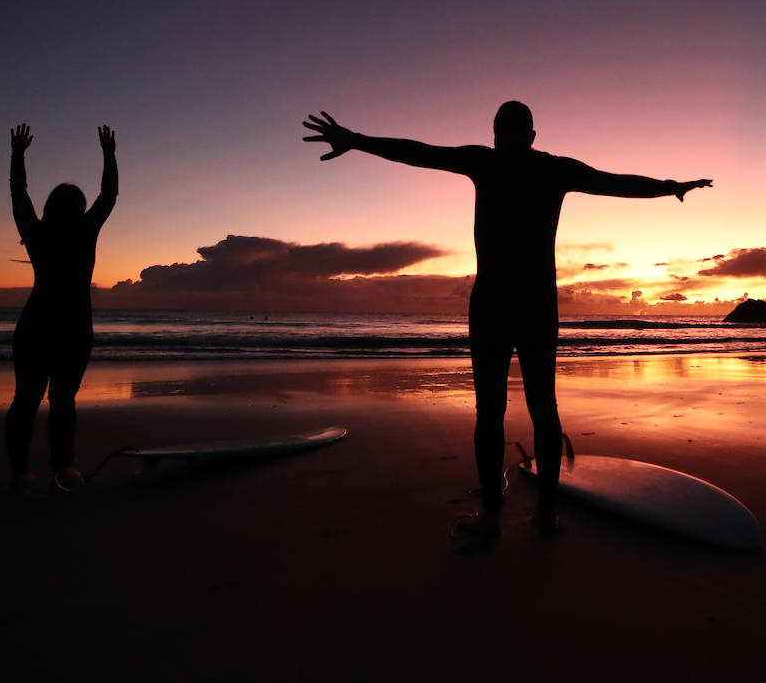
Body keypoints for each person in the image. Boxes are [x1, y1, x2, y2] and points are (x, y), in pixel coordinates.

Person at [303, 102, 711, 544]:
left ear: (500, 133)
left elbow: (418, 152)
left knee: (493, 412)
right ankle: (544, 515)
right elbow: (616, 183)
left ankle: (494, 518)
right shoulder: (551, 169)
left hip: (496, 304)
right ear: (529, 135)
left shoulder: (489, 161)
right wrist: (670, 187)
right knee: (540, 409)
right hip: (532, 304)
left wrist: (357, 140)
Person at [5, 123, 118, 491]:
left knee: (26, 400)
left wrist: (18, 154)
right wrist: (108, 153)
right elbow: (110, 193)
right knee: (62, 401)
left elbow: (18, 193)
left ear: (50, 206)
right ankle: (62, 467)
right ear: (80, 208)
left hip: (36, 324)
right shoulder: (85, 230)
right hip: (73, 326)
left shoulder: (36, 232)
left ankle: (20, 471)